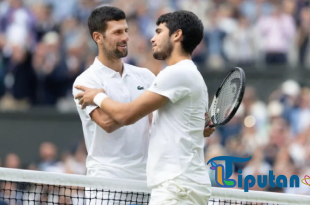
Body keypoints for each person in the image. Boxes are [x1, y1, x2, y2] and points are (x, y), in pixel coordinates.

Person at [75, 10, 213, 205]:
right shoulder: (85, 81)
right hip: (108, 183)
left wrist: (98, 97)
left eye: (126, 30)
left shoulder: (150, 76)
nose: (125, 37)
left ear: (176, 35)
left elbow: (130, 115)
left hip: (156, 184)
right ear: (98, 37)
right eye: (117, 32)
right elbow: (107, 122)